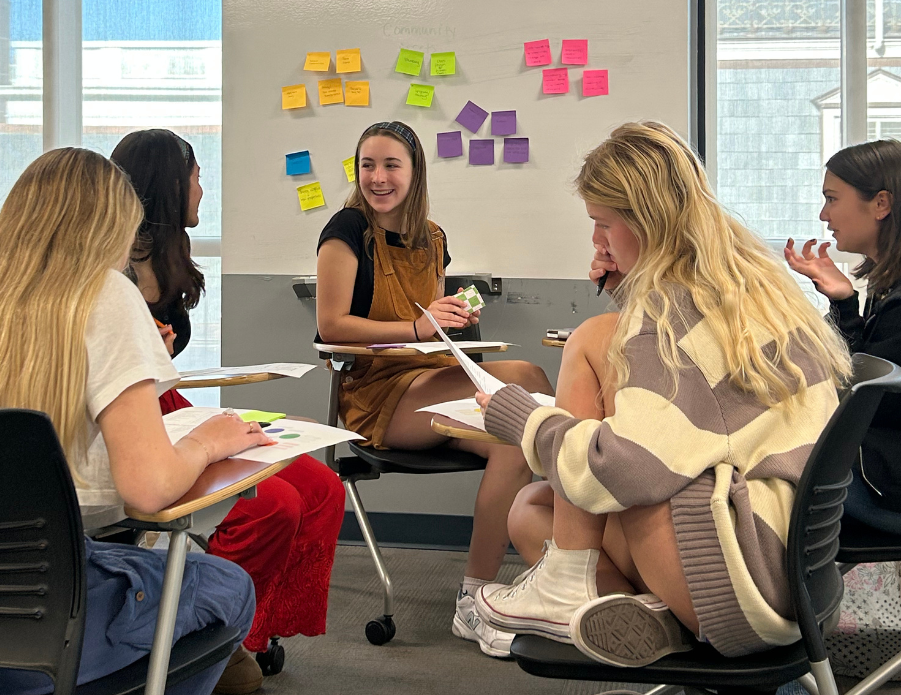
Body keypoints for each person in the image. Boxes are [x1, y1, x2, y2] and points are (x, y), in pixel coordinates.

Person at [472, 121, 853, 666]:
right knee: (534, 507)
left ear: (645, 221)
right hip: (799, 573)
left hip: (742, 589)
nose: (597, 243)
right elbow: (695, 403)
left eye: (604, 225)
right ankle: (656, 620)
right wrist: (629, 294)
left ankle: (564, 595)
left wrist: (521, 419)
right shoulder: (750, 281)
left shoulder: (667, 315)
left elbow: (624, 469)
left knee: (586, 384)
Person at [0, 147, 263, 694]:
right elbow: (149, 489)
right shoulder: (104, 294)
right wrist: (205, 443)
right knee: (225, 586)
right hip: (42, 627)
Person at [110, 129, 346, 683]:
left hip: (168, 397)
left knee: (321, 487)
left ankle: (252, 629)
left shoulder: (169, 253)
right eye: (195, 176)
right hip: (140, 407)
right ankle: (204, 632)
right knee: (273, 504)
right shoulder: (118, 270)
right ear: (173, 183)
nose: (202, 187)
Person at [315, 121, 554, 658]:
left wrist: (452, 319)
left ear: (415, 171)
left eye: (391, 165)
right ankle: (548, 570)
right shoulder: (345, 229)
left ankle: (476, 601)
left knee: (519, 430)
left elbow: (430, 324)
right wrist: (420, 329)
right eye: (367, 165)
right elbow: (332, 327)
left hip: (429, 377)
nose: (377, 177)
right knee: (526, 382)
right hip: (377, 396)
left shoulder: (433, 237)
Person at [785, 139, 901, 532]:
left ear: (881, 204)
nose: (824, 213)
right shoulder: (887, 288)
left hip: (884, 485)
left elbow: (860, 400)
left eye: (832, 199)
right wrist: (845, 303)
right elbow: (859, 373)